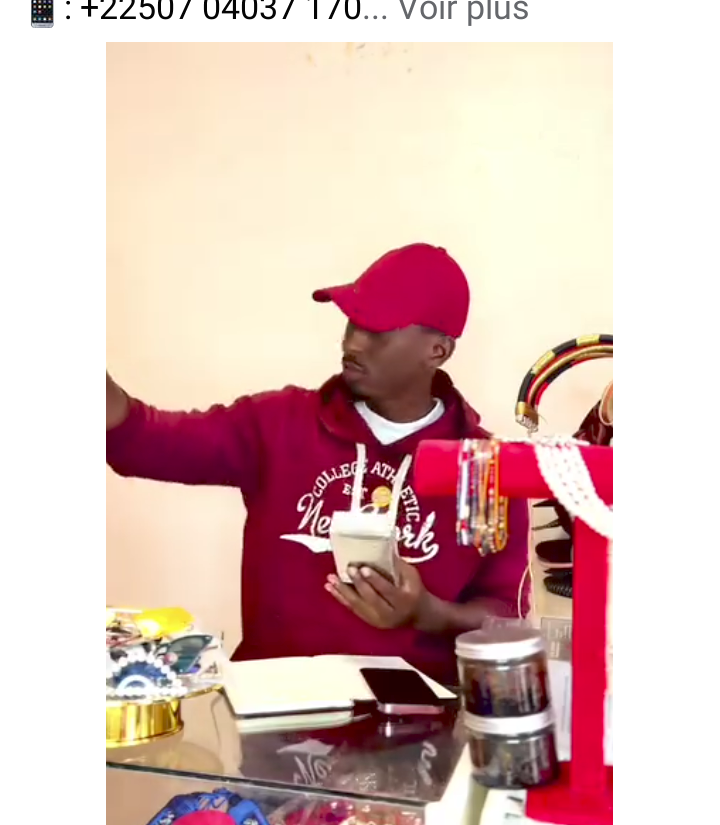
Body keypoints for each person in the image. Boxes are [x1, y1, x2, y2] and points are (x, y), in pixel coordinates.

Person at [107, 243, 528, 685]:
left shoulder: (487, 469)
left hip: (415, 718)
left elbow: (505, 618)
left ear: (437, 351)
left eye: (377, 330)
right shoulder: (277, 423)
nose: (352, 343)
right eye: (352, 323)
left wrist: (429, 613)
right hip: (273, 708)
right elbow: (140, 440)